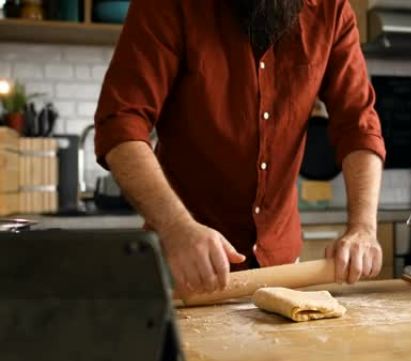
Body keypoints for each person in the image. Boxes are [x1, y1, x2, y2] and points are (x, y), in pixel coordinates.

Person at [94, 0, 386, 297]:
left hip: (281, 270)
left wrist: (363, 227)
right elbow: (120, 122)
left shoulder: (331, 9)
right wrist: (176, 227)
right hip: (182, 264)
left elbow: (358, 125)